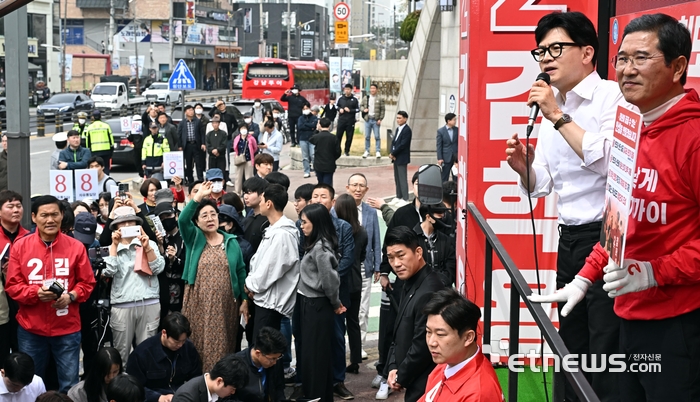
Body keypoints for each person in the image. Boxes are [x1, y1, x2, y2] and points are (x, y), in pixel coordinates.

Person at [531, 13, 700, 400]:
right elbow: (619, 222)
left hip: (678, 323)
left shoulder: (692, 139)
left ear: (678, 67)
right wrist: (584, 278)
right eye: (622, 59)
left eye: (641, 58)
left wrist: (656, 272)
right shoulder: (630, 129)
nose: (627, 70)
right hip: (628, 314)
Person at [504, 12, 628, 401]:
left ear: (588, 52)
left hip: (609, 241)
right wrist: (524, 169)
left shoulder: (613, 96)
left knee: (605, 348)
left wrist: (557, 116)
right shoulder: (550, 109)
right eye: (540, 51)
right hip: (570, 239)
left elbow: (610, 159)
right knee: (570, 345)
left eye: (556, 48)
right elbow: (544, 183)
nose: (545, 59)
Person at [5, 196, 96, 393]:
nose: (50, 220)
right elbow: (12, 286)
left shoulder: (76, 247)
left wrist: (71, 296)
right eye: (44, 215)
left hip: (67, 329)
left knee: (69, 385)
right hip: (31, 329)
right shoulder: (21, 246)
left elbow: (88, 283)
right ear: (34, 217)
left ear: (62, 216)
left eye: (55, 214)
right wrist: (35, 293)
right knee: (28, 384)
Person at [179, 181, 248, 372]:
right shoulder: (194, 237)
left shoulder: (231, 241)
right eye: (204, 216)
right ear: (197, 221)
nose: (210, 219)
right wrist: (198, 197)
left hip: (226, 304)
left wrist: (244, 299)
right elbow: (182, 220)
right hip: (198, 302)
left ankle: (220, 384)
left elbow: (241, 271)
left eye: (213, 215)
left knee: (224, 345)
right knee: (197, 343)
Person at [384, 227, 444, 402]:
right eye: (391, 258)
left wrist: (401, 376)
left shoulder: (430, 290)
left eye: (401, 255)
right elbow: (399, 331)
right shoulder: (408, 281)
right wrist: (393, 366)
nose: (396, 263)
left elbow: (422, 346)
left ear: (418, 252)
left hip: (425, 383)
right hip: (414, 381)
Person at [102, 206, 165, 364]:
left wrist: (147, 247)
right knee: (121, 353)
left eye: (131, 221)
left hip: (149, 301)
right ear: (116, 227)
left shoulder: (148, 243)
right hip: (122, 304)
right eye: (122, 223)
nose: (127, 226)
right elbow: (109, 271)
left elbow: (158, 268)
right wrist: (114, 246)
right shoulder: (111, 248)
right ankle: (121, 387)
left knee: (148, 352)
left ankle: (146, 387)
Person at [309, 184, 354, 400]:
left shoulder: (343, 227)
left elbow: (347, 258)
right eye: (315, 196)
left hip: (337, 294)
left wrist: (330, 279)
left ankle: (338, 380)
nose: (318, 199)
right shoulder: (306, 226)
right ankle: (311, 380)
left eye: (323, 196)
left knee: (337, 338)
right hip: (312, 295)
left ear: (332, 201)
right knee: (312, 338)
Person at [296, 203, 345, 402]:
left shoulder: (321, 248)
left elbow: (329, 282)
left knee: (315, 357)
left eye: (305, 222)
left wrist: (336, 303)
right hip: (310, 303)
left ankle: (316, 396)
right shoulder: (316, 244)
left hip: (316, 305)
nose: (301, 225)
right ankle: (320, 396)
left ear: (316, 223)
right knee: (314, 355)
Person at [418, 289, 504, 402]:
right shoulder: (450, 360)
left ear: (468, 338)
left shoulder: (479, 394)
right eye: (428, 332)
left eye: (440, 334)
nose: (431, 342)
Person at [244, 184, 299, 340]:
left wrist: (250, 285)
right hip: (265, 301)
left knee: (266, 355)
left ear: (269, 204)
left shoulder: (282, 234)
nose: (260, 204)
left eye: (262, 200)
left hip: (271, 304)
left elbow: (268, 270)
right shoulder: (273, 229)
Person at [127, 312, 202, 402]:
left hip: (182, 395)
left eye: (183, 341)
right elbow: (133, 387)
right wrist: (158, 397)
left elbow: (196, 377)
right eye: (176, 341)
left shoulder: (188, 348)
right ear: (164, 333)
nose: (180, 345)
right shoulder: (142, 353)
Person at [345, 173, 381, 360]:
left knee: (363, 309)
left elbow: (375, 239)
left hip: (364, 266)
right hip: (343, 268)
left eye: (361, 186)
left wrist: (377, 266)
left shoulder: (370, 212)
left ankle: (359, 345)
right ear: (347, 187)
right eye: (355, 185)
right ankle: (346, 343)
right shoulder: (337, 210)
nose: (358, 189)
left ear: (366, 190)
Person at [334, 194, 367, 375]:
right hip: (356, 280)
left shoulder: (337, 230)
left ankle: (339, 361)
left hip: (342, 281)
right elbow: (361, 256)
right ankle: (355, 360)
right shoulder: (361, 232)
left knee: (338, 324)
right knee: (353, 322)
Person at [0, 191, 29, 366]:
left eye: (19, 206)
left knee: (23, 352)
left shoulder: (29, 237)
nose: (16, 210)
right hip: (2, 304)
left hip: (23, 302)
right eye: (10, 206)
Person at [234, 327, 286, 402]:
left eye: (277, 358)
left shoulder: (276, 359)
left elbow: (279, 387)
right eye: (272, 359)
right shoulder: (235, 365)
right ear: (258, 353)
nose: (275, 362)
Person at [171, 354, 248, 402]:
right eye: (232, 389)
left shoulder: (217, 391)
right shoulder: (186, 397)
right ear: (219, 381)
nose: (233, 392)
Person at [415, 204, 456, 287]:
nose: (443, 217)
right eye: (439, 214)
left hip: (441, 292)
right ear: (428, 217)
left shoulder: (446, 240)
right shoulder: (412, 238)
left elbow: (451, 267)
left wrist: (440, 283)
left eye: (443, 214)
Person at [309, 118, 341, 186]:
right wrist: (333, 158)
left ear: (320, 125)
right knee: (328, 182)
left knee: (320, 182)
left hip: (318, 163)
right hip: (329, 163)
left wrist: (317, 130)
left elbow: (311, 139)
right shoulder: (334, 137)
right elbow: (338, 152)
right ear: (329, 125)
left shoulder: (317, 137)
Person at [241, 177, 269, 254]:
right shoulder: (248, 219)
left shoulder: (268, 221)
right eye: (244, 193)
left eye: (249, 193)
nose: (245, 197)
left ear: (262, 194)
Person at [177, 105, 203, 184]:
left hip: (196, 145)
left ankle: (200, 180)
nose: (191, 112)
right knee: (188, 164)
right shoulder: (182, 123)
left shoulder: (197, 121)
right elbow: (179, 135)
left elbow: (202, 133)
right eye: (189, 110)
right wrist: (180, 145)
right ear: (185, 112)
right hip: (187, 145)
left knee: (199, 163)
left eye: (192, 110)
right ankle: (190, 180)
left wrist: (203, 143)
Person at [391, 111, 412, 201]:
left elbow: (403, 145)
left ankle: (405, 198)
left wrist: (393, 153)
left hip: (402, 157)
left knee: (402, 179)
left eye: (400, 118)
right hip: (395, 157)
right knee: (397, 178)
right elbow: (394, 142)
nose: (398, 120)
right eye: (397, 118)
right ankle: (398, 196)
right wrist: (392, 152)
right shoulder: (398, 129)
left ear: (405, 119)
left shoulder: (407, 130)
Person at [232, 124, 258, 196]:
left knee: (249, 177)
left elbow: (255, 148)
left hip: (249, 159)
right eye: (242, 128)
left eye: (245, 128)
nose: (243, 130)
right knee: (238, 177)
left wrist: (251, 153)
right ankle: (238, 192)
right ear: (239, 130)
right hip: (239, 160)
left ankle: (249, 191)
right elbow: (235, 148)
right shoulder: (237, 138)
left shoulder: (251, 138)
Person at [85, 110, 114, 174]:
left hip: (95, 151)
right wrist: (112, 148)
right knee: (106, 166)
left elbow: (88, 141)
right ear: (101, 116)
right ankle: (106, 180)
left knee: (96, 167)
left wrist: (89, 149)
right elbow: (111, 139)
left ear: (93, 117)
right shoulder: (106, 126)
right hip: (106, 150)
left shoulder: (90, 127)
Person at [361, 83, 385, 158]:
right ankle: (367, 151)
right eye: (371, 88)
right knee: (367, 136)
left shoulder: (380, 99)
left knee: (377, 136)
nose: (372, 90)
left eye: (374, 88)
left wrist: (380, 119)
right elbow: (361, 106)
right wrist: (364, 110)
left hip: (376, 120)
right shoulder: (366, 98)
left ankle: (378, 151)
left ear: (377, 90)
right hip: (368, 119)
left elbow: (382, 110)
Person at [336, 84, 360, 156]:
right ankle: (337, 151)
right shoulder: (340, 98)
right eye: (346, 89)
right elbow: (336, 106)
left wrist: (350, 110)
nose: (347, 91)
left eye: (348, 89)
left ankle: (346, 151)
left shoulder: (355, 99)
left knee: (349, 137)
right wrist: (340, 109)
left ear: (351, 90)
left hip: (350, 121)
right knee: (338, 136)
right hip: (341, 120)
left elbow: (358, 109)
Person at [436, 113, 458, 183]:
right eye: (454, 120)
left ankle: (455, 192)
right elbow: (439, 145)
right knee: (444, 177)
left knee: (456, 176)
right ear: (448, 121)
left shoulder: (457, 130)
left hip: (456, 158)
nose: (455, 121)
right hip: (446, 157)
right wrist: (440, 158)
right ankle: (444, 192)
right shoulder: (441, 131)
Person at [297, 103, 318, 179]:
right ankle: (306, 171)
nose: (305, 110)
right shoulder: (300, 118)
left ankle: (317, 170)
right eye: (304, 109)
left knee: (313, 155)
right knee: (305, 157)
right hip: (303, 139)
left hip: (312, 138)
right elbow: (300, 127)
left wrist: (306, 125)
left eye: (307, 108)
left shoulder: (314, 117)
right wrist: (309, 125)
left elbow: (314, 126)